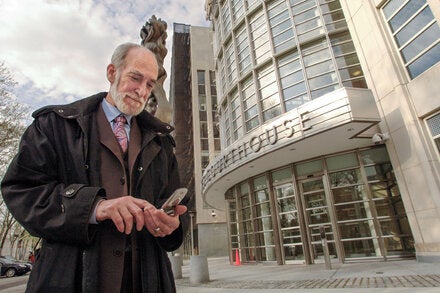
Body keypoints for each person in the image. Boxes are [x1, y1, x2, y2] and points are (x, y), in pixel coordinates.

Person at [1, 43, 189, 292]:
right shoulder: (54, 126)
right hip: (69, 278)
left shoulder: (162, 140)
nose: (142, 90)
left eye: (149, 84)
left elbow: (176, 202)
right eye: (135, 78)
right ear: (112, 73)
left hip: (147, 278)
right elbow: (22, 191)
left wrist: (172, 223)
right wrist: (95, 207)